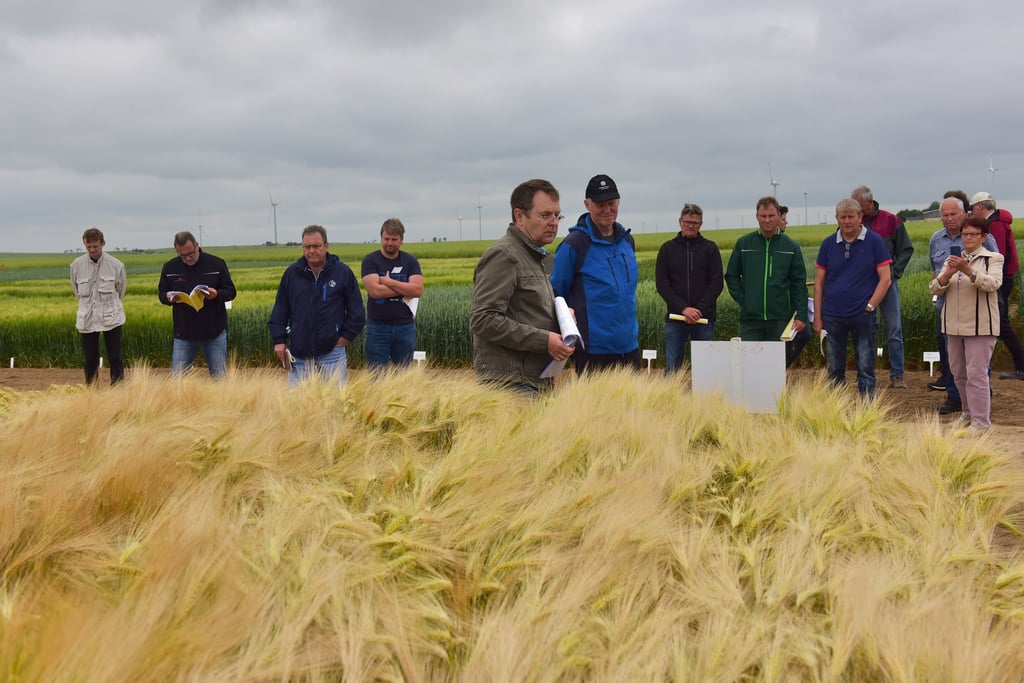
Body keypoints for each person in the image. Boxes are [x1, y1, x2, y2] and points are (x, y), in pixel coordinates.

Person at [469, 179, 576, 392]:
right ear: (520, 216)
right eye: (545, 215)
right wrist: (544, 340)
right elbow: (482, 319)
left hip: (533, 379)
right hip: (510, 384)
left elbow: (526, 312)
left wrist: (562, 320)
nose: (554, 222)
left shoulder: (538, 257)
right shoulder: (504, 255)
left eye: (557, 215)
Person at [550, 174, 640, 373]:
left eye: (611, 203)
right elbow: (557, 295)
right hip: (594, 352)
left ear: (618, 202)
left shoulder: (627, 241)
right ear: (587, 204)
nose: (607, 210)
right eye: (600, 204)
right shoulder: (575, 244)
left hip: (629, 346)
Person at [812, 199, 892, 398]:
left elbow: (886, 279)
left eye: (851, 217)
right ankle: (836, 411)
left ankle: (867, 412)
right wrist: (818, 317)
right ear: (837, 219)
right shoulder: (828, 244)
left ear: (860, 218)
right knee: (834, 368)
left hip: (862, 315)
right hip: (832, 316)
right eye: (843, 217)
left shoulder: (874, 242)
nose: (847, 221)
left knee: (865, 368)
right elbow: (819, 282)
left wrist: (871, 305)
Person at [929, 215, 1003, 430]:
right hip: (952, 326)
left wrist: (968, 270)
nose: (968, 238)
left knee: (977, 375)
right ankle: (968, 414)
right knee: (958, 373)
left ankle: (981, 423)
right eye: (965, 234)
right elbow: (934, 288)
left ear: (984, 237)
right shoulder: (952, 260)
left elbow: (992, 284)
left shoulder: (993, 258)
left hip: (980, 327)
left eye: (973, 234)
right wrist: (947, 275)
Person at [268, 225, 365, 387]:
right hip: (299, 354)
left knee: (335, 402)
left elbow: (357, 310)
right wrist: (279, 340)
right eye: (307, 247)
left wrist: (344, 338)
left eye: (316, 246)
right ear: (302, 248)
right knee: (299, 405)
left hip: (332, 353)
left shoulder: (342, 272)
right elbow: (280, 310)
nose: (311, 251)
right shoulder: (292, 274)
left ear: (326, 246)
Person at [851, 185, 914, 388]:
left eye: (860, 206)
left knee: (894, 329)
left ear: (870, 202)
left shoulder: (891, 220)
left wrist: (893, 273)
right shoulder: (852, 221)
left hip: (887, 284)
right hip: (861, 285)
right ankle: (864, 374)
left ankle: (897, 375)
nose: (857, 210)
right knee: (862, 329)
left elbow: (906, 249)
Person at [725, 196, 808, 345]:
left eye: (771, 216)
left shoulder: (791, 247)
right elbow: (732, 276)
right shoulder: (744, 244)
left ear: (778, 216)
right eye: (763, 216)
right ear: (757, 216)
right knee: (749, 362)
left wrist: (801, 314)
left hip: (780, 318)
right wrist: (746, 300)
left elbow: (798, 283)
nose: (767, 220)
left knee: (775, 364)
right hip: (750, 320)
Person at [655, 203, 723, 374]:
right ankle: (669, 399)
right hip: (676, 318)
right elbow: (662, 284)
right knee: (672, 366)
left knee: (704, 367)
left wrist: (698, 310)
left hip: (704, 319)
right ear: (680, 222)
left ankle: (704, 399)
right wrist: (684, 309)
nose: (691, 226)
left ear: (701, 224)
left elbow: (716, 283)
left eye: (696, 223)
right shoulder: (667, 249)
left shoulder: (710, 249)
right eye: (688, 222)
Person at [158, 231, 236, 378]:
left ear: (197, 246)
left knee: (220, 380)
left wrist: (216, 295)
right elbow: (162, 293)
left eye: (190, 254)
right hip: (184, 333)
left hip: (214, 332)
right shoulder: (170, 268)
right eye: (182, 256)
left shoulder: (216, 264)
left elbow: (230, 291)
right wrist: (168, 298)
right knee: (178, 381)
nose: (187, 258)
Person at [969, 191, 1024, 380]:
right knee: (999, 322)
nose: (971, 212)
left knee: (1000, 323)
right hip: (1004, 276)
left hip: (1000, 278)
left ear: (980, 207)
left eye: (972, 208)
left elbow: (997, 255)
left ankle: (1021, 366)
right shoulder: (999, 221)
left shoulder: (996, 225)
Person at [361, 218, 423, 370]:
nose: (389, 243)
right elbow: (375, 292)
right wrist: (405, 287)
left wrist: (388, 282)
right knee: (377, 375)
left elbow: (417, 290)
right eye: (386, 239)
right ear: (381, 238)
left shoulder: (410, 261)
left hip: (405, 327)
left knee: (404, 376)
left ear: (401, 240)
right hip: (377, 327)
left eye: (394, 239)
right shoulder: (370, 260)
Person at [70, 227, 126, 385]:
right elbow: (76, 292)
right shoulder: (76, 265)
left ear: (103, 243)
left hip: (111, 316)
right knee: (90, 360)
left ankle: (118, 390)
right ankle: (92, 392)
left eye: (95, 246)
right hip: (87, 317)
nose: (92, 250)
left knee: (115, 357)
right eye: (89, 247)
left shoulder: (116, 265)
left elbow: (120, 291)